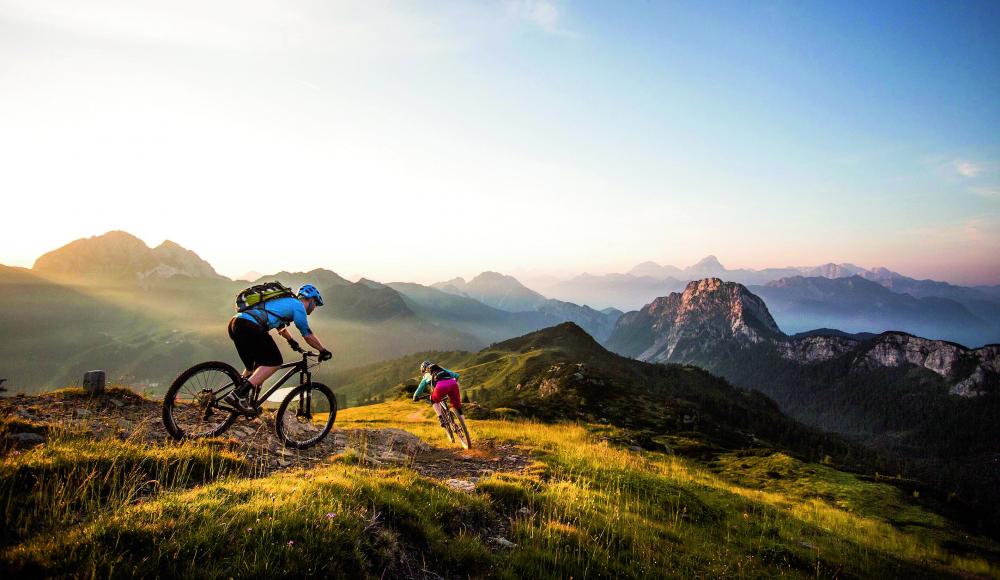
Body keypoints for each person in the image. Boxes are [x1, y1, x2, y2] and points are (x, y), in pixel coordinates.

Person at [225, 284, 332, 410]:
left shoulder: (285, 301)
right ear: (312, 300)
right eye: (316, 304)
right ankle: (238, 394)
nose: (314, 308)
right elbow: (308, 335)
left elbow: (280, 327)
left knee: (253, 366)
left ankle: (240, 398)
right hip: (250, 325)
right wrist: (323, 350)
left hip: (236, 323)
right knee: (274, 362)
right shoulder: (298, 307)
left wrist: (292, 342)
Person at [413, 360, 462, 426]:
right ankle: (464, 426)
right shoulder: (440, 369)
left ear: (423, 370)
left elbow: (420, 388)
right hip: (453, 384)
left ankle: (441, 418)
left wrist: (415, 396)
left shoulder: (426, 375)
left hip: (440, 388)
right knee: (457, 406)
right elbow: (456, 375)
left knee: (433, 400)